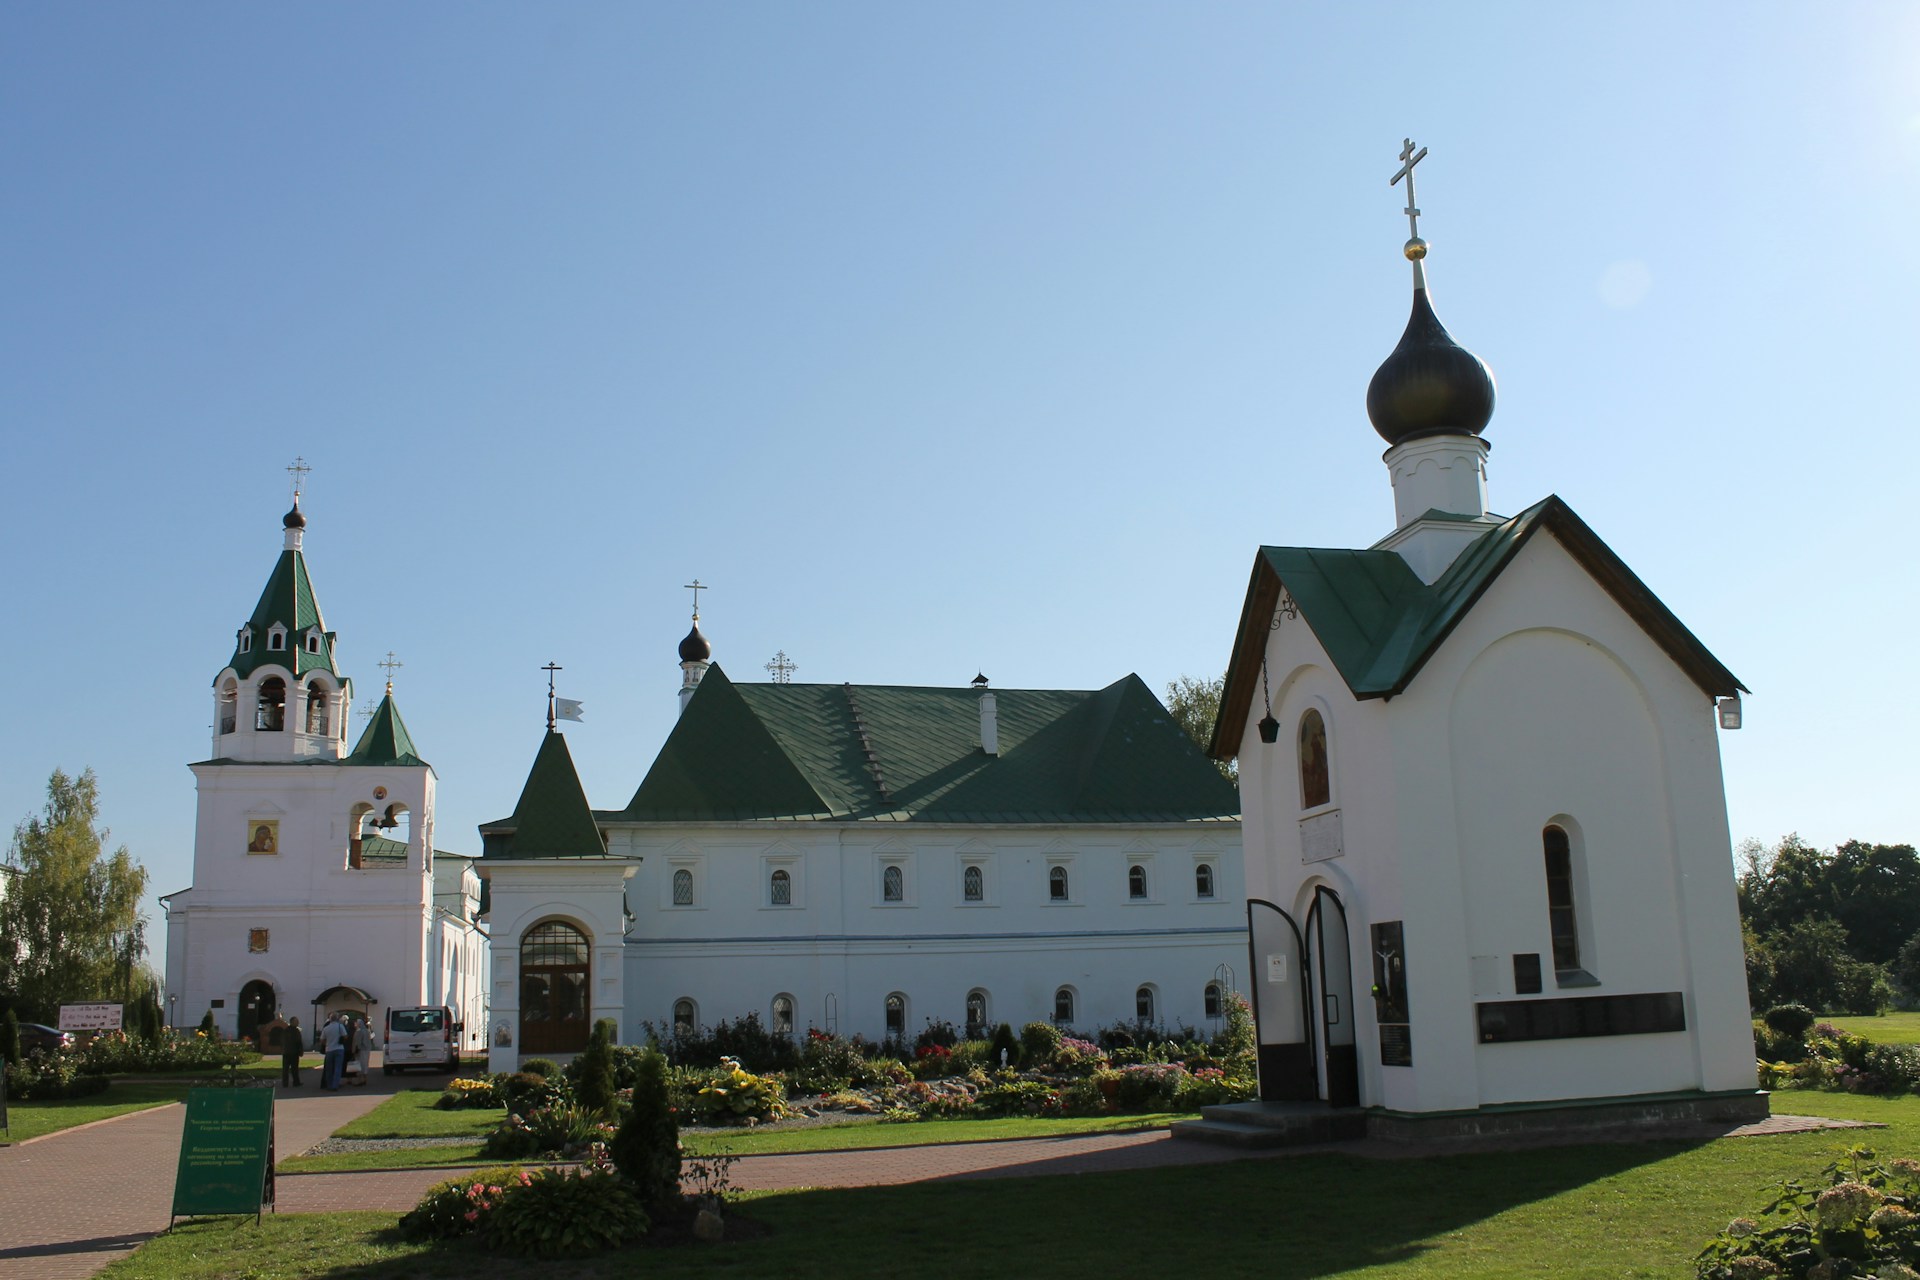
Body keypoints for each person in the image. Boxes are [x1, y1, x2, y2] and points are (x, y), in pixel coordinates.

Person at [320, 1012, 347, 1090]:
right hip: (339, 1048)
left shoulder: (326, 1028)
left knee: (329, 1068)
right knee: (338, 1068)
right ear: (337, 1019)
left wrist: (327, 1043)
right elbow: (345, 1036)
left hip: (329, 1049)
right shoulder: (340, 1026)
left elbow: (322, 1040)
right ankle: (335, 1085)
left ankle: (329, 1084)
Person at [280, 1016, 304, 1087]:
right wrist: (300, 1051)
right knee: (294, 1068)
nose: (298, 1023)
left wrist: (283, 1049)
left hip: (286, 1052)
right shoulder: (296, 1031)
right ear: (293, 1022)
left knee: (285, 1068)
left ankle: (285, 1083)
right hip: (294, 1052)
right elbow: (299, 1042)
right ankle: (296, 1082)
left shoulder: (285, 1030)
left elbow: (282, 1041)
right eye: (296, 1021)